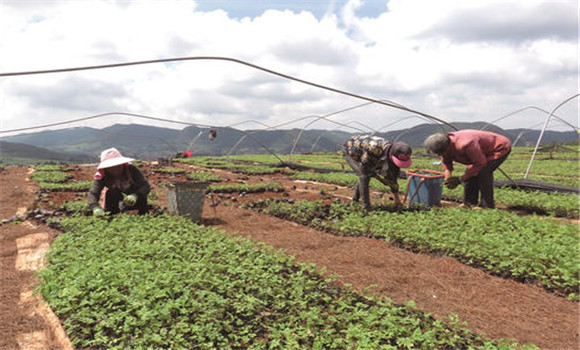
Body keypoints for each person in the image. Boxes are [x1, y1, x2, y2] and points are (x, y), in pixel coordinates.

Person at [424, 130, 511, 209]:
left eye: (440, 153)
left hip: (498, 148)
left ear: (447, 147)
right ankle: (469, 202)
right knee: (471, 171)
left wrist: (460, 179)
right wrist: (448, 175)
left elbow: (480, 163)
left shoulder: (466, 144)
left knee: (483, 172)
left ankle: (487, 206)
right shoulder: (445, 147)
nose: (440, 155)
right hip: (480, 153)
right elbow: (446, 161)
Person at [343, 135, 412, 211]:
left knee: (366, 175)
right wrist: (381, 179)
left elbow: (393, 179)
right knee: (364, 176)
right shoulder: (373, 148)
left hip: (368, 154)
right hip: (351, 151)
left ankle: (355, 200)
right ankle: (366, 208)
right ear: (390, 155)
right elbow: (365, 169)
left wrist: (397, 199)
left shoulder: (393, 154)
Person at [87, 148, 151, 216]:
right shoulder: (103, 175)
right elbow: (93, 193)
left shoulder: (132, 170)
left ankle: (142, 214)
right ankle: (112, 215)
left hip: (134, 198)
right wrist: (94, 207)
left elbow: (145, 186)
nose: (115, 168)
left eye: (117, 165)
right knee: (111, 193)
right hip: (115, 199)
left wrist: (135, 196)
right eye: (111, 166)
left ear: (122, 164)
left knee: (141, 197)